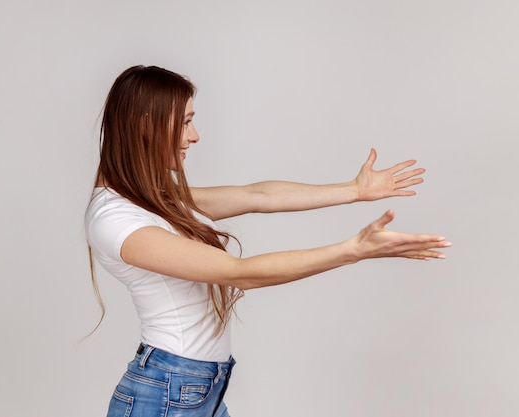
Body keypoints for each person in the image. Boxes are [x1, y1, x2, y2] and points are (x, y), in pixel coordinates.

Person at [84, 65, 450, 417]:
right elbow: (241, 273)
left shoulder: (153, 198)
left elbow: (259, 196)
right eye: (185, 122)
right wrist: (353, 251)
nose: (195, 136)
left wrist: (354, 191)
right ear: (145, 125)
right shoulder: (115, 220)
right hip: (166, 395)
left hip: (196, 389)